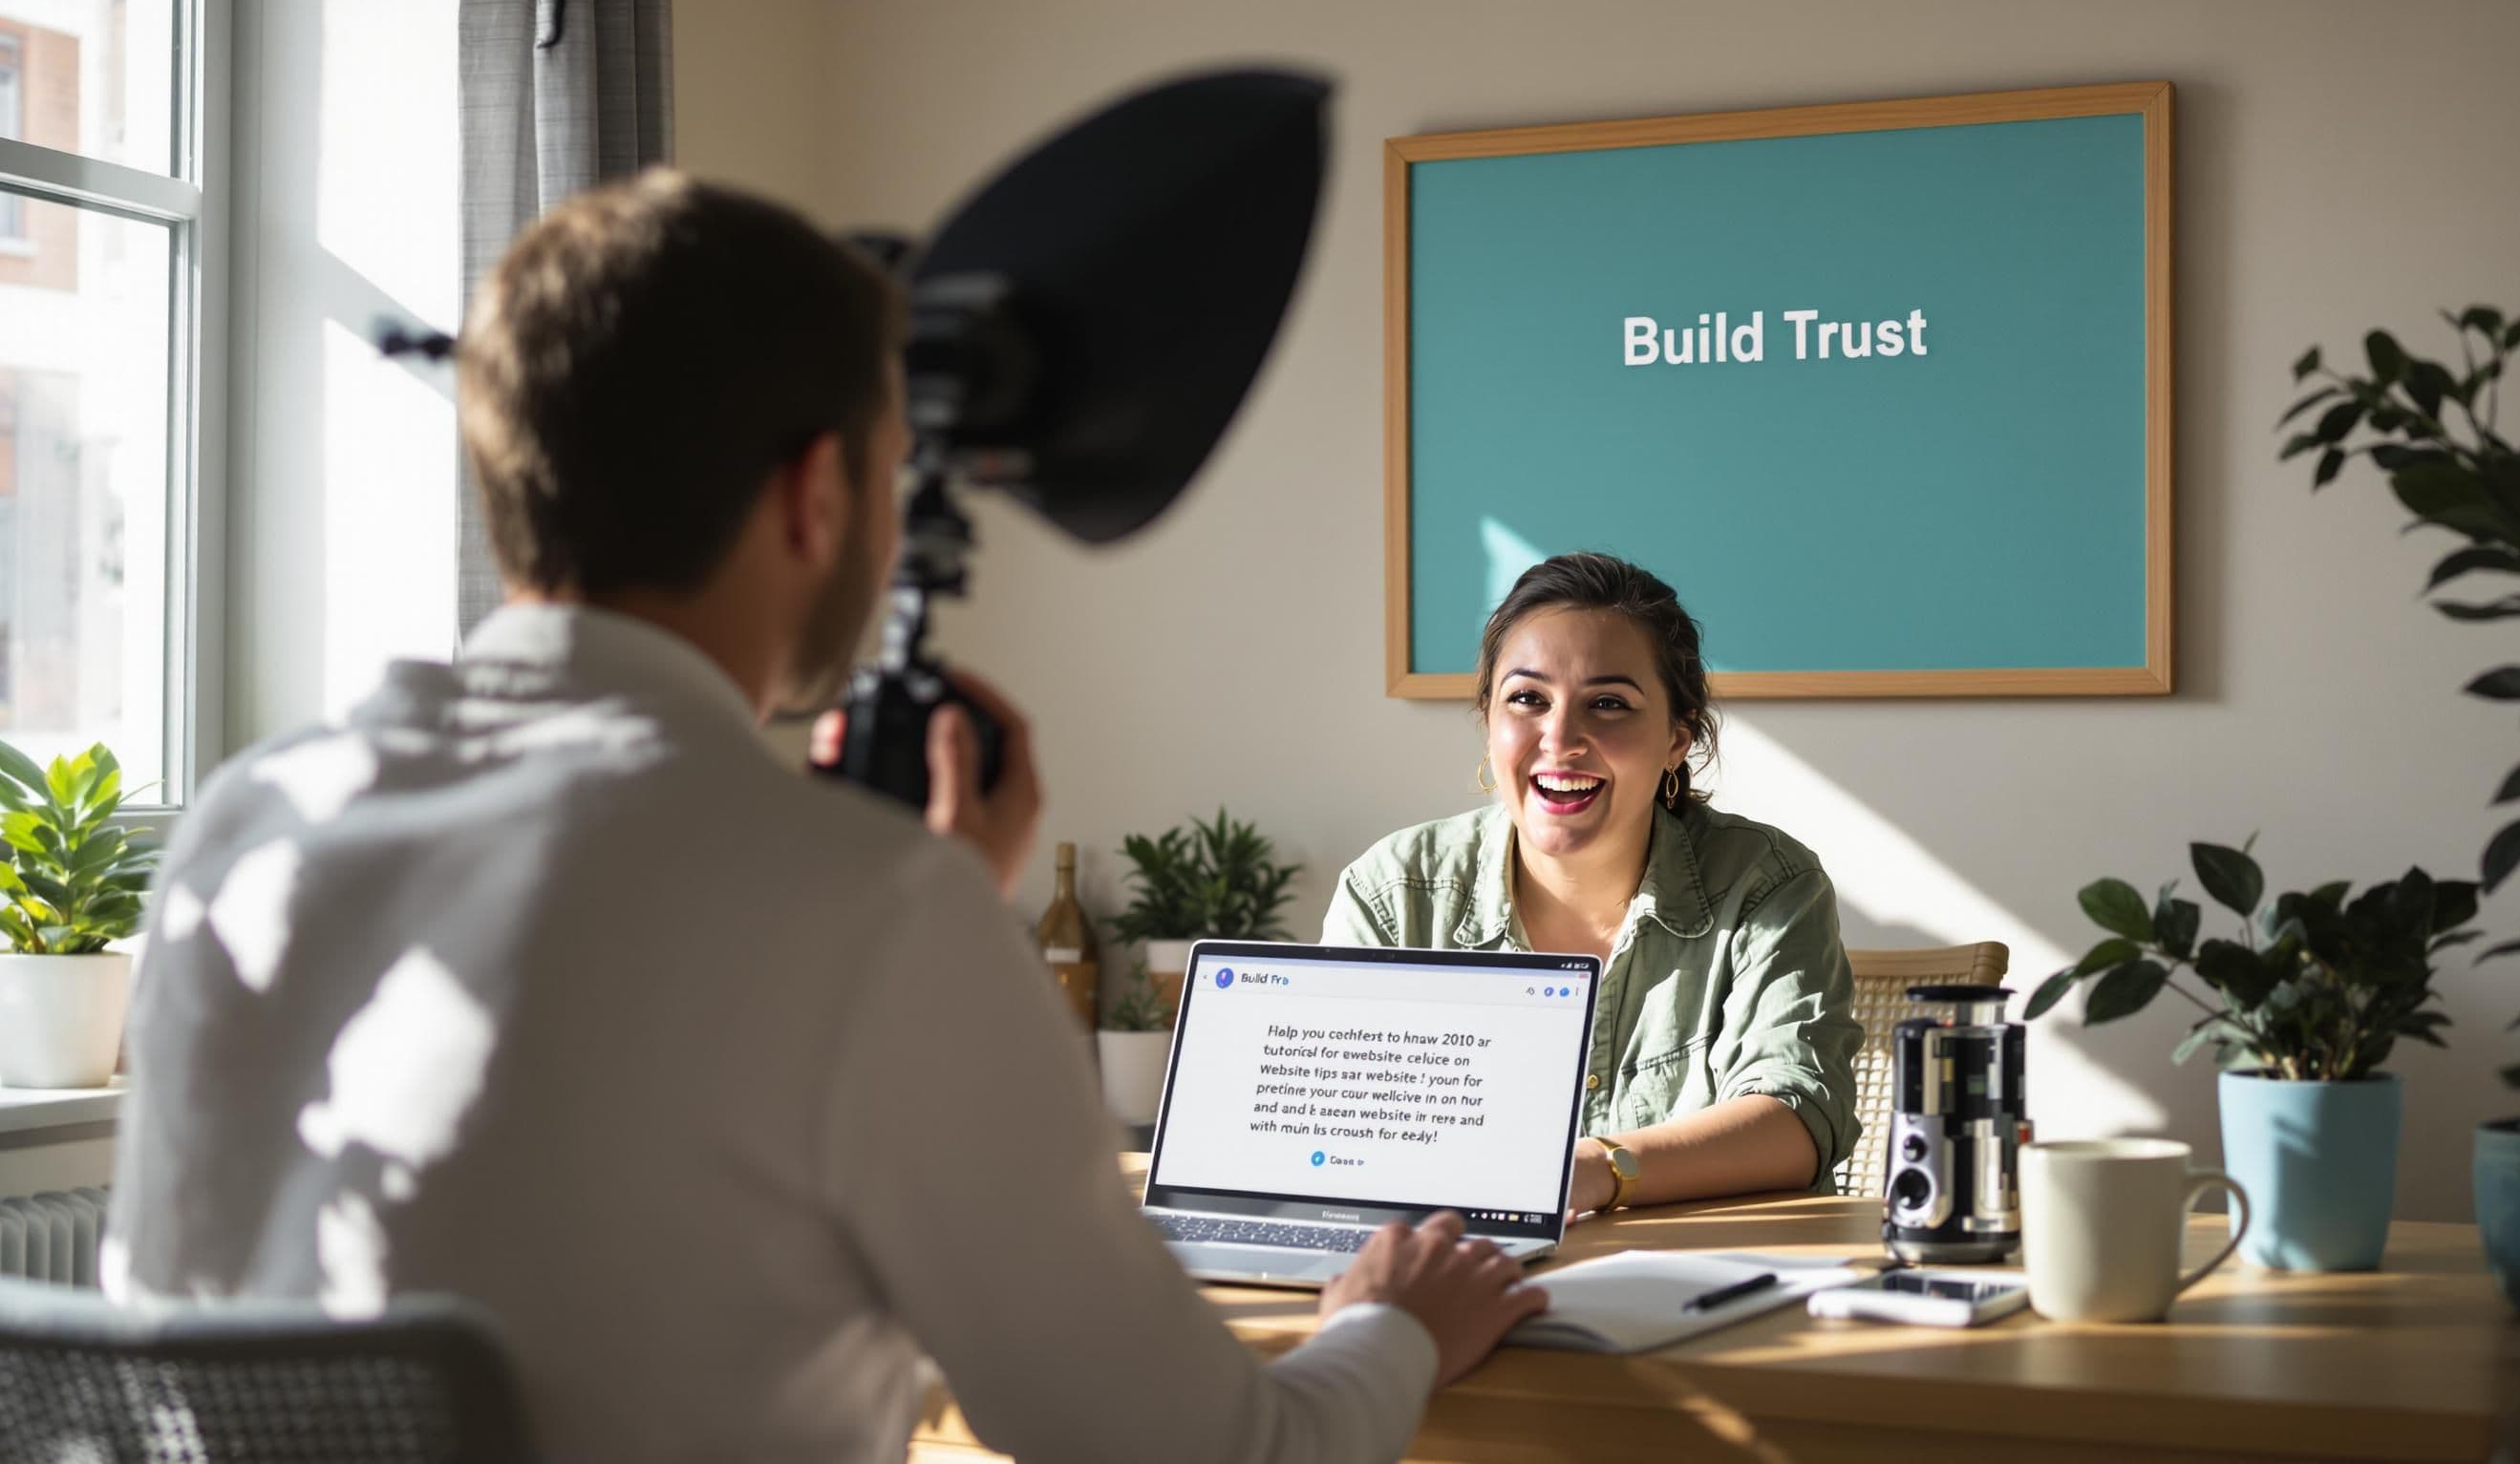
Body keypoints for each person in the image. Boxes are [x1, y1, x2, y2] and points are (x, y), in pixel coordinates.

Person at [105, 171, 1544, 1463]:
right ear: (813, 495)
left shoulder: (248, 822)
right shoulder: (869, 915)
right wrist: (1395, 1319)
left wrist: (918, 914)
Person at [1324, 553, 1863, 1210]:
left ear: (1675, 738)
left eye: (1608, 703)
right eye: (1527, 699)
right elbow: (1340, 1132)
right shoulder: (1392, 893)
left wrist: (1600, 1167)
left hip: (1711, 1279)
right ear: (1488, 723)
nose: (1561, 738)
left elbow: (1798, 1117)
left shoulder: (1769, 885)